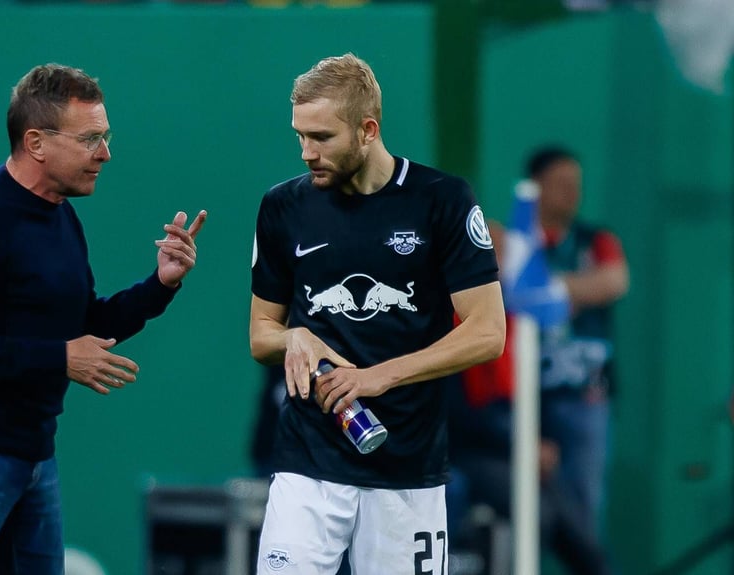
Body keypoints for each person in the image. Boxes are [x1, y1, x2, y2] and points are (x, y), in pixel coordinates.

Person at [0, 63, 207, 575]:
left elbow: (85, 324)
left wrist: (161, 284)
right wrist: (59, 358)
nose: (105, 153)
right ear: (36, 143)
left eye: (106, 137)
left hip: (34, 452)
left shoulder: (61, 215)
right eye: (90, 139)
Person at [248, 53, 506, 574]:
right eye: (300, 136)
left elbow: (488, 332)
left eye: (322, 137)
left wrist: (376, 377)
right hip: (308, 464)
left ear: (368, 130)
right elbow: (261, 334)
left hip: (407, 468)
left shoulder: (443, 201)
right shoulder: (282, 206)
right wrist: (294, 337)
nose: (307, 152)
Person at [447, 317, 613, 575]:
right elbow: (462, 417)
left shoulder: (515, 327)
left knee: (577, 528)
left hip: (511, 453)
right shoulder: (453, 331)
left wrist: (529, 445)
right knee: (538, 514)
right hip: (469, 454)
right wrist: (523, 444)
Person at [527, 146, 629, 538]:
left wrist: (547, 290)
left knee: (584, 504)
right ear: (536, 187)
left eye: (576, 184)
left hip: (586, 394)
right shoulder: (517, 242)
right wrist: (574, 290)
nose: (572, 192)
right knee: (522, 506)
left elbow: (614, 281)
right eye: (561, 183)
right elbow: (504, 285)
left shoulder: (595, 240)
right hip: (523, 397)